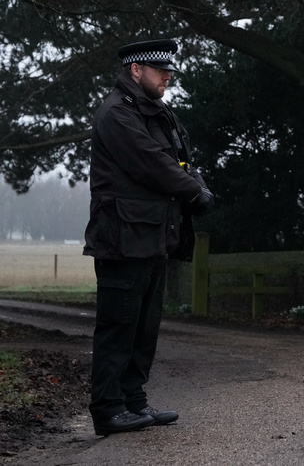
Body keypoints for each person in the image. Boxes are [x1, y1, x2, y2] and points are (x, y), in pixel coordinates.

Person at [84, 39, 214, 436]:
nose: (168, 76)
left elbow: (183, 159)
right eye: (160, 71)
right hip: (122, 238)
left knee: (144, 327)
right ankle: (108, 410)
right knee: (118, 326)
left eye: (169, 71)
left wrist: (197, 184)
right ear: (136, 70)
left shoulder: (158, 112)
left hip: (152, 237)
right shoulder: (117, 113)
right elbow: (151, 162)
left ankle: (134, 402)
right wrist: (194, 193)